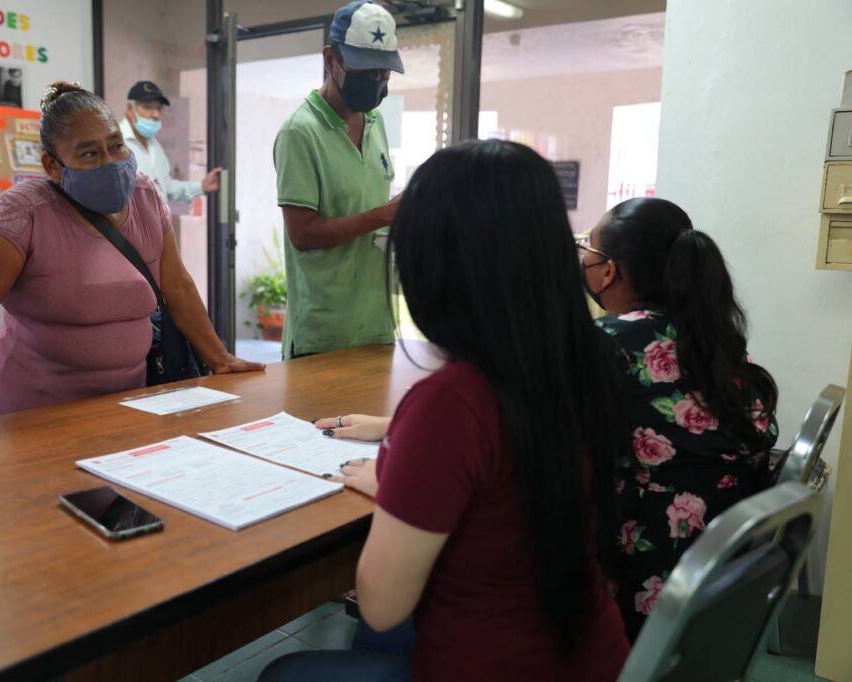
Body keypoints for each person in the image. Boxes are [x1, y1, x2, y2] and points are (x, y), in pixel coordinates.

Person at [260, 140, 631, 681]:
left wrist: (395, 483)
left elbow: (382, 604)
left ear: (432, 265)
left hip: (495, 665)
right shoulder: (584, 361)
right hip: (590, 655)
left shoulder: (451, 403)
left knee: (286, 673)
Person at [0, 81, 263, 440]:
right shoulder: (23, 211)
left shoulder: (146, 197)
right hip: (35, 413)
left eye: (116, 146)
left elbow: (178, 287)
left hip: (129, 403)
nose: (110, 162)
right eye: (90, 154)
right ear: (53, 165)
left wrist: (220, 358)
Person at [579, 197, 779, 640]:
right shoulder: (711, 334)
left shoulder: (608, 340)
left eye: (587, 252)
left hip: (639, 575)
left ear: (608, 269)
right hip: (715, 568)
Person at [274, 0, 403, 359]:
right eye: (366, 71)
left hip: (375, 326)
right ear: (330, 59)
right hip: (323, 334)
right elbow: (302, 234)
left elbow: (365, 203)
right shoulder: (300, 132)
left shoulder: (375, 124)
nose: (377, 82)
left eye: (384, 72)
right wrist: (382, 215)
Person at [119, 80, 220, 204]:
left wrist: (202, 186)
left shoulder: (154, 145)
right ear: (130, 108)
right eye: (148, 107)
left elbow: (166, 186)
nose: (156, 114)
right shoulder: (114, 144)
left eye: (159, 108)